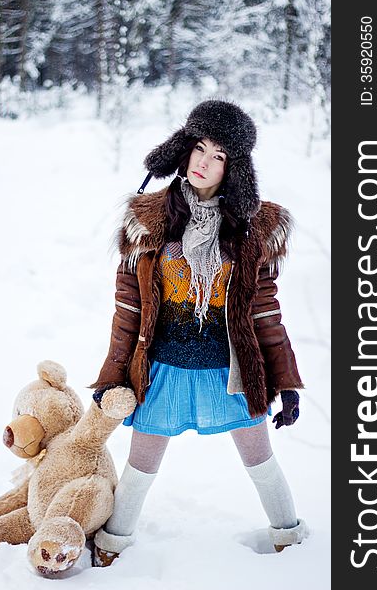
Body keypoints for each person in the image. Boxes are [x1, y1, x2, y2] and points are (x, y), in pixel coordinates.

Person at [89, 99, 308, 567]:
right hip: (163, 369)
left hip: (229, 372)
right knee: (140, 467)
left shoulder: (252, 229)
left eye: (219, 156)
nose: (203, 164)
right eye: (199, 149)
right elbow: (127, 310)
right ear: (184, 148)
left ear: (235, 168)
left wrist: (286, 381)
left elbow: (265, 313)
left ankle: (291, 539)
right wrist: (112, 374)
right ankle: (112, 547)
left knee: (261, 462)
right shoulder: (147, 220)